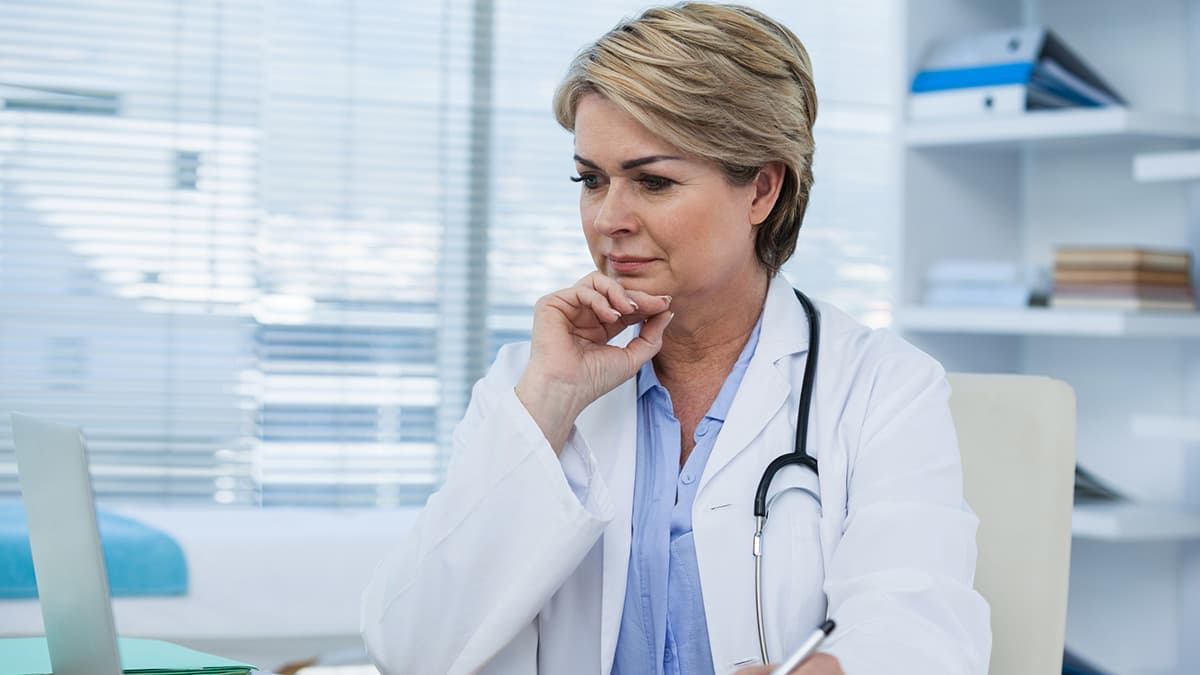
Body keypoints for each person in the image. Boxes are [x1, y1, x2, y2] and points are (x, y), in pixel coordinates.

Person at [361, 4, 991, 674]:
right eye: (591, 179)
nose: (608, 218)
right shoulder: (529, 385)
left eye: (653, 182)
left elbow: (920, 625)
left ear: (762, 190)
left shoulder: (881, 387)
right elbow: (411, 651)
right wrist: (547, 406)